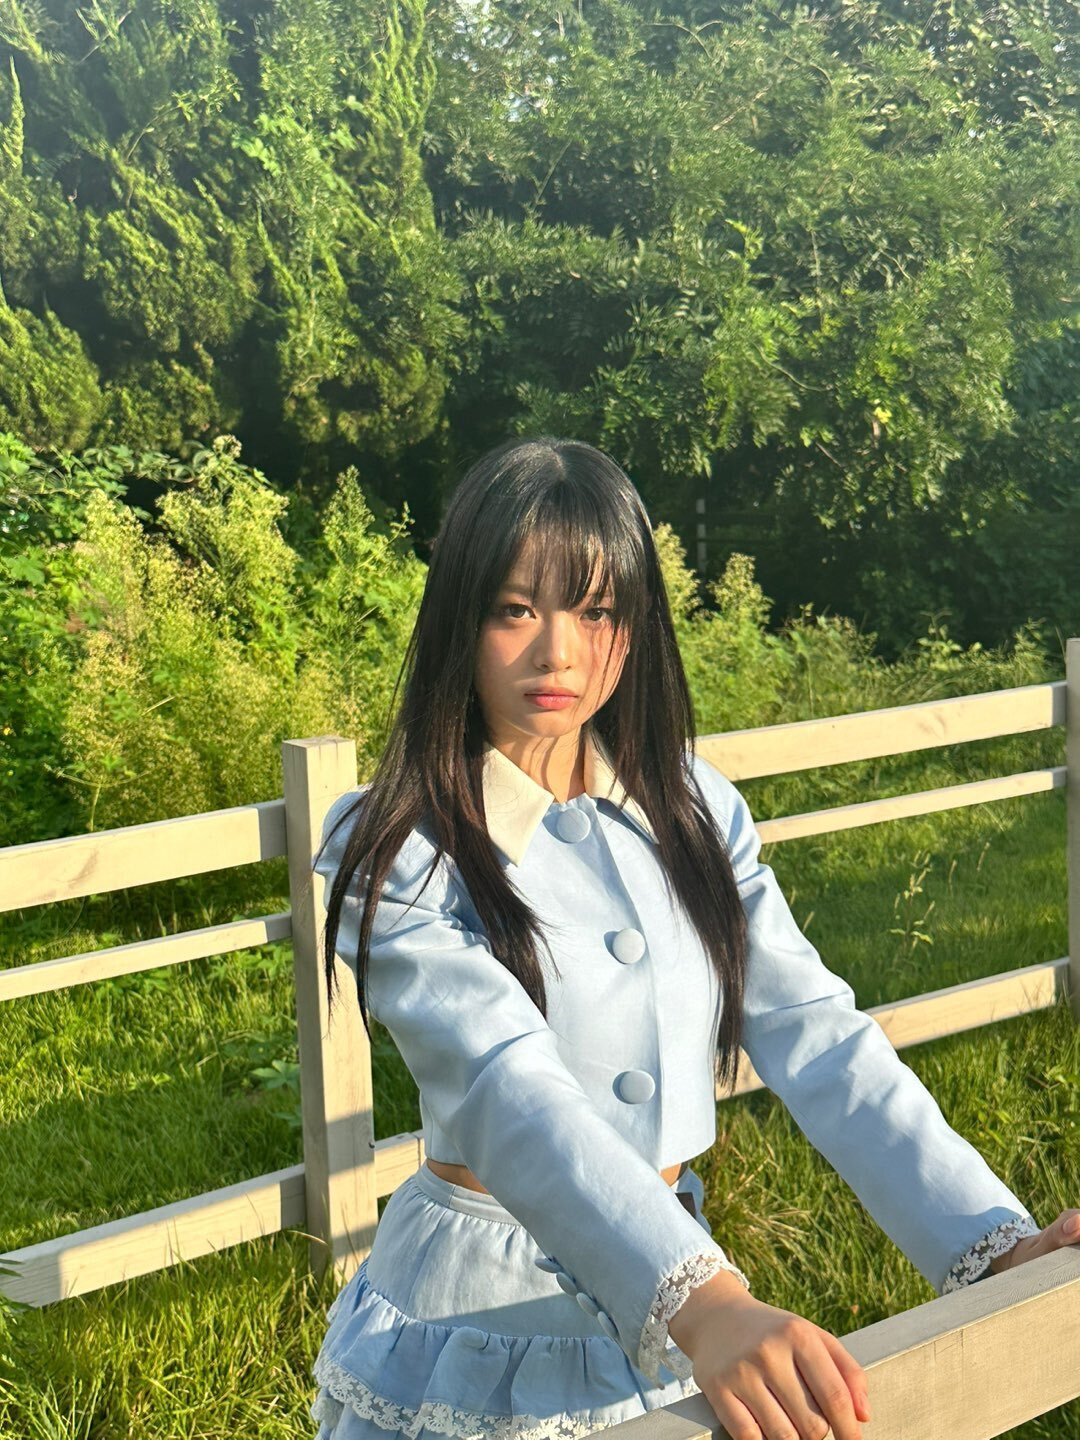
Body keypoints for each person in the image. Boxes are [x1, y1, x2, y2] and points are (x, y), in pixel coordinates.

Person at [307, 437, 1077, 1440]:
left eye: (595, 611)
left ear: (636, 626)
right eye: (514, 609)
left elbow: (819, 1036)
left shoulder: (692, 807)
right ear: (459, 617)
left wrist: (993, 1245)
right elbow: (504, 1084)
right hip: (481, 1317)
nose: (557, 653)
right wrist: (704, 1304)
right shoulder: (401, 845)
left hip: (679, 1296)